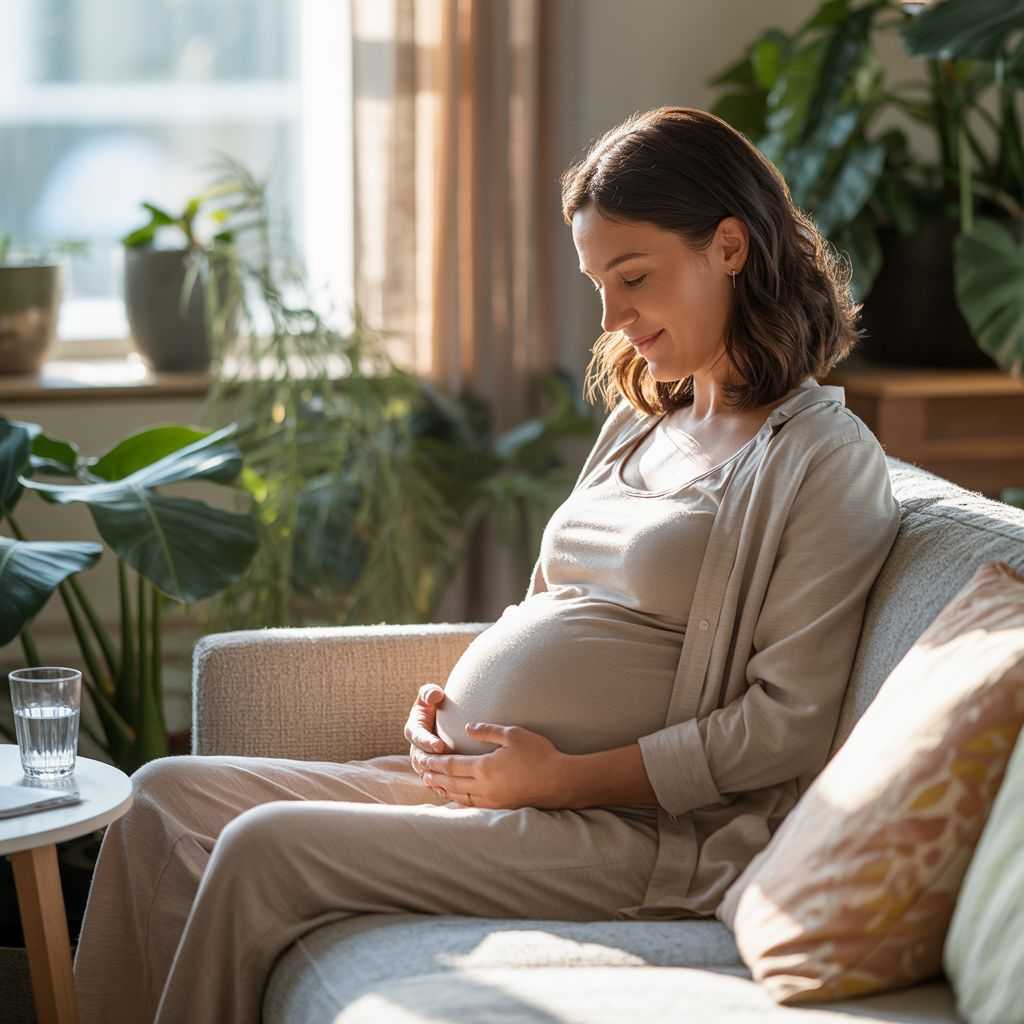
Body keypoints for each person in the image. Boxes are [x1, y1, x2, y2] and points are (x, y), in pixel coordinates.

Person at [72, 106, 902, 1023]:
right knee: (159, 798)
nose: (614, 319)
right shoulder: (644, 421)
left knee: (263, 847)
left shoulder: (822, 458)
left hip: (634, 833)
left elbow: (786, 726)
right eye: (598, 284)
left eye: (634, 278)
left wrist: (561, 779)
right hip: (494, 787)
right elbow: (555, 609)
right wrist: (451, 708)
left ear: (732, 247)